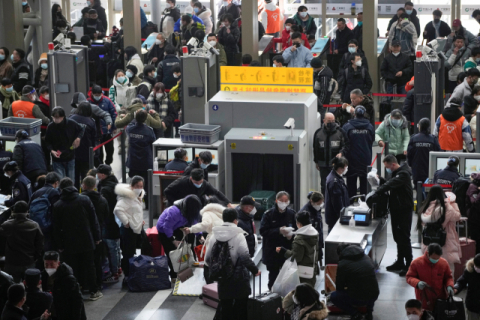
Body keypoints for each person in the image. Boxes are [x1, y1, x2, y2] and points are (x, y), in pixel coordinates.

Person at [53, 178, 102, 300]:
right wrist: (97, 237)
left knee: (72, 267)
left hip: (69, 242)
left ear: (61, 189)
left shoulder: (58, 205)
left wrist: (60, 245)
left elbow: (56, 227)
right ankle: (93, 291)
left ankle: (75, 290)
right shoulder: (84, 199)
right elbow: (93, 220)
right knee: (90, 265)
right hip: (86, 239)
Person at [376, 155, 413, 276]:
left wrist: (379, 190)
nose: (388, 169)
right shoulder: (397, 172)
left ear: (393, 164)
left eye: (387, 167)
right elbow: (391, 183)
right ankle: (400, 262)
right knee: (397, 237)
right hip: (396, 209)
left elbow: (392, 183)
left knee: (404, 237)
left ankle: (409, 265)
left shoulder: (403, 174)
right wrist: (381, 179)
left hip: (403, 209)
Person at [157, 195, 202, 280]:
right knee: (172, 252)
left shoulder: (193, 211)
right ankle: (174, 275)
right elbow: (166, 227)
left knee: (188, 248)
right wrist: (173, 240)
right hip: (164, 229)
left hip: (178, 226)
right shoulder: (174, 212)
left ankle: (189, 273)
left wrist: (200, 235)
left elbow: (195, 223)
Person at [330, 243, 379, 320]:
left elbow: (339, 287)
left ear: (340, 253)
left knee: (334, 296)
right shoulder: (366, 257)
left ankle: (355, 314)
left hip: (357, 297)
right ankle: (369, 312)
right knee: (370, 287)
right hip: (374, 294)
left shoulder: (343, 264)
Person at [418, 186, 461, 272]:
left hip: (429, 240)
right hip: (445, 239)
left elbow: (423, 223)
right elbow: (457, 216)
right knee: (447, 267)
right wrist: (453, 204)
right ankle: (447, 285)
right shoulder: (447, 207)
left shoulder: (426, 206)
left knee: (430, 265)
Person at [260, 191, 296, 290]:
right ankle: (272, 296)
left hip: (286, 250)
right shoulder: (268, 214)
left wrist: (291, 236)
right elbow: (263, 231)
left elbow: (297, 229)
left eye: (286, 201)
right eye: (281, 201)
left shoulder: (291, 214)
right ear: (276, 201)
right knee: (273, 277)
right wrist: (279, 231)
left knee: (287, 277)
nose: (283, 203)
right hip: (272, 251)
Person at [0, 201, 43, 282]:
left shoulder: (7, 225)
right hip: (28, 261)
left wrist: (7, 212)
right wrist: (35, 257)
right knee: (30, 286)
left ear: (14, 211)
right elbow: (40, 243)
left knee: (12, 287)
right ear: (27, 211)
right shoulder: (34, 225)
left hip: (12, 262)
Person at [114, 176, 146, 282]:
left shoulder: (138, 195)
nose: (139, 188)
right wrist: (126, 222)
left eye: (141, 186)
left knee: (145, 246)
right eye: (137, 186)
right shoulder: (127, 197)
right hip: (129, 230)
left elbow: (135, 211)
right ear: (132, 186)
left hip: (137, 226)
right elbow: (118, 210)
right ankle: (127, 275)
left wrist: (139, 220)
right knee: (128, 252)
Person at [406, 243, 455, 311]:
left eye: (438, 258)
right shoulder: (416, 263)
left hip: (440, 299)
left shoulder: (443, 263)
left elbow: (448, 277)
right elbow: (409, 277)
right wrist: (417, 283)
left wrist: (450, 286)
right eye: (434, 258)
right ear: (428, 253)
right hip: (424, 299)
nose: (436, 260)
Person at [276, 211, 319, 286]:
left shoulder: (299, 239)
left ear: (298, 223)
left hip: (301, 275)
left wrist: (283, 251)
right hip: (311, 271)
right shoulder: (314, 234)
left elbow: (296, 258)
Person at [81, 176, 109, 288]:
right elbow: (107, 216)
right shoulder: (102, 200)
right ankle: (98, 283)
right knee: (97, 260)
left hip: (85, 234)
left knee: (85, 260)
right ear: (95, 186)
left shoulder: (80, 199)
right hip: (99, 233)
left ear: (83, 185)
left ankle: (86, 283)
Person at [41, 251, 86, 317]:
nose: (49, 267)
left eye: (51, 264)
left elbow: (77, 301)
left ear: (58, 263)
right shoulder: (44, 276)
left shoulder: (68, 278)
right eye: (46, 264)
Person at [342, 106, 374, 198]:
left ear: (354, 114)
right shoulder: (370, 127)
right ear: (364, 114)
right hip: (365, 158)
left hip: (351, 159)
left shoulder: (347, 126)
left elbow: (344, 142)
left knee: (351, 182)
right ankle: (365, 204)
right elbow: (372, 140)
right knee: (365, 183)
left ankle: (351, 204)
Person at [96, 164, 121, 281]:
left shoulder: (105, 189)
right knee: (116, 246)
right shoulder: (115, 183)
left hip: (109, 221)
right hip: (116, 220)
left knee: (111, 247)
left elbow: (103, 207)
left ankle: (114, 271)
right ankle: (118, 268)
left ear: (102, 174)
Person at [45, 107, 84, 181]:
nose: (55, 119)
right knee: (60, 181)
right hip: (57, 159)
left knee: (71, 180)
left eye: (57, 117)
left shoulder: (71, 123)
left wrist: (78, 138)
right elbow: (47, 141)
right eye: (53, 117)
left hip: (70, 157)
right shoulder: (50, 127)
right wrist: (52, 150)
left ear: (62, 117)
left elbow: (81, 129)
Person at [313, 112, 348, 195]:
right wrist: (316, 161)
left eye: (333, 121)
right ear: (324, 120)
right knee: (324, 184)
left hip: (336, 164)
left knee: (336, 184)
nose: (331, 123)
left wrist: (341, 153)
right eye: (329, 121)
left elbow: (346, 145)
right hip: (323, 164)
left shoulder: (340, 132)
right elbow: (315, 148)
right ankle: (326, 202)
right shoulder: (318, 133)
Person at [126, 110, 156, 200]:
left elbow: (129, 126)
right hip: (145, 161)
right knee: (146, 183)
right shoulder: (149, 131)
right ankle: (147, 202)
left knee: (133, 182)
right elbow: (153, 143)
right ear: (146, 118)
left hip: (133, 160)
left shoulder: (130, 129)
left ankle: (133, 200)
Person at [28, 172, 60, 253]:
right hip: (49, 228)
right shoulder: (54, 192)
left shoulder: (35, 193)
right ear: (56, 183)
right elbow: (55, 211)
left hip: (36, 227)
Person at [165, 169, 232, 207]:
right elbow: (167, 191)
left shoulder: (205, 184)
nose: (199, 184)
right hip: (179, 204)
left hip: (194, 205)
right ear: (191, 178)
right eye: (196, 183)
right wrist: (175, 203)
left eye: (200, 182)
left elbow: (216, 193)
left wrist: (228, 203)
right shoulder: (181, 182)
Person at [69, 102, 96, 189]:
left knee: (74, 175)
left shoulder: (71, 118)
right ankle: (86, 192)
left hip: (73, 151)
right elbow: (94, 138)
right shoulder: (91, 121)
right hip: (86, 152)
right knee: (85, 174)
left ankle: (75, 191)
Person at [407, 118, 441, 184]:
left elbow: (409, 154)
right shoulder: (433, 139)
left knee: (418, 188)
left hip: (416, 169)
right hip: (429, 169)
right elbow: (438, 153)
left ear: (420, 126)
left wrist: (411, 165)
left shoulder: (414, 138)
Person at [89, 85, 117, 165]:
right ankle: (100, 167)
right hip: (96, 133)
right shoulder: (88, 102)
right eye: (96, 95)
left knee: (110, 150)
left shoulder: (107, 101)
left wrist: (113, 126)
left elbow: (113, 113)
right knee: (98, 152)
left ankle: (108, 163)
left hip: (107, 131)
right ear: (92, 94)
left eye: (99, 95)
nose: (97, 97)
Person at [324, 157, 349, 233]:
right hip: (335, 218)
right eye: (345, 167)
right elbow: (337, 202)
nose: (346, 168)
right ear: (341, 168)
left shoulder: (337, 177)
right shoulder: (334, 181)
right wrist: (342, 217)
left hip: (336, 216)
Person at [454, 253, 480, 318]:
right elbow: (461, 281)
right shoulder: (469, 271)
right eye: (477, 267)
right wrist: (456, 287)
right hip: (473, 304)